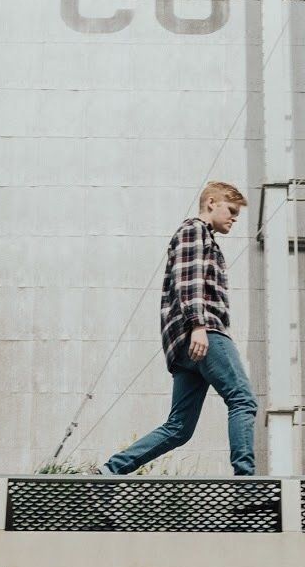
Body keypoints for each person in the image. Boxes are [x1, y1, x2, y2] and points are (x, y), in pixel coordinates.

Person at [102, 182, 260, 479]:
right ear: (211, 202)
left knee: (179, 428)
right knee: (243, 400)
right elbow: (189, 279)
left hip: (185, 347)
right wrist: (198, 325)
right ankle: (246, 485)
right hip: (203, 333)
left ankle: (110, 471)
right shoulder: (194, 230)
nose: (234, 219)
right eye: (231, 210)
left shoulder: (200, 236)